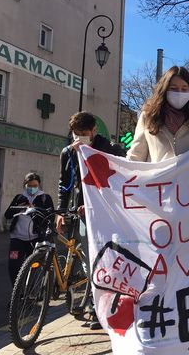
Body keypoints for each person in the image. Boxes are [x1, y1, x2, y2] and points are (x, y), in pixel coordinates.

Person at [56, 111, 125, 329]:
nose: (80, 137)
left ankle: (99, 308)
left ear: (94, 131)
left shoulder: (109, 149)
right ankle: (87, 300)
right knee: (84, 261)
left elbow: (118, 180)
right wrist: (60, 211)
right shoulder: (68, 153)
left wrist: (96, 202)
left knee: (98, 260)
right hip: (79, 213)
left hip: (104, 214)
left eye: (84, 133)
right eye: (76, 134)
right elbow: (64, 184)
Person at [127, 65, 189, 162]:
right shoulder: (148, 116)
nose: (179, 93)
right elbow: (136, 155)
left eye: (184, 89)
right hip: (158, 177)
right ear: (164, 90)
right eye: (173, 88)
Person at [5, 173, 54, 286]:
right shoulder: (19, 197)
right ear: (25, 185)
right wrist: (22, 207)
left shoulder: (44, 198)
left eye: (35, 185)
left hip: (34, 239)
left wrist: (36, 209)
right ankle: (17, 294)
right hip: (16, 239)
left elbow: (50, 216)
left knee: (33, 267)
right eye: (29, 185)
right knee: (13, 265)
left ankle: (29, 295)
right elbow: (7, 214)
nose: (32, 188)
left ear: (39, 185)